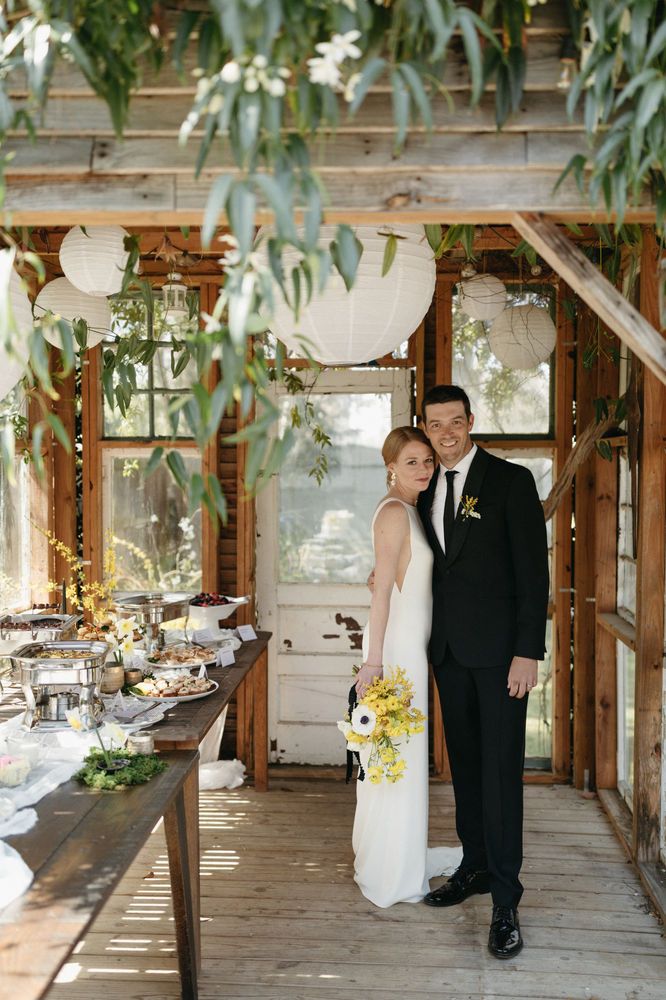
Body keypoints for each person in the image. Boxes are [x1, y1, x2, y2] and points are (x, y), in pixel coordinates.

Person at [416, 384, 549, 959]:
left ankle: (506, 899)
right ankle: (473, 868)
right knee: (466, 769)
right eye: (434, 423)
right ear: (425, 427)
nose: (445, 433)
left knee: (499, 775)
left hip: (500, 658)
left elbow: (533, 575)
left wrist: (529, 651)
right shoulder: (422, 487)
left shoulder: (510, 482)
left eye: (454, 422)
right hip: (446, 652)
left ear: (471, 422)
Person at [352, 426, 462, 908]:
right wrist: (374, 660)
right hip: (394, 652)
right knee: (395, 758)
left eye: (428, 461)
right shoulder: (395, 511)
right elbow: (381, 595)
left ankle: (405, 851)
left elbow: (394, 575)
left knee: (405, 756)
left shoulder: (414, 511)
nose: (424, 469)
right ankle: (390, 868)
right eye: (412, 461)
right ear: (391, 466)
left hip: (412, 649)